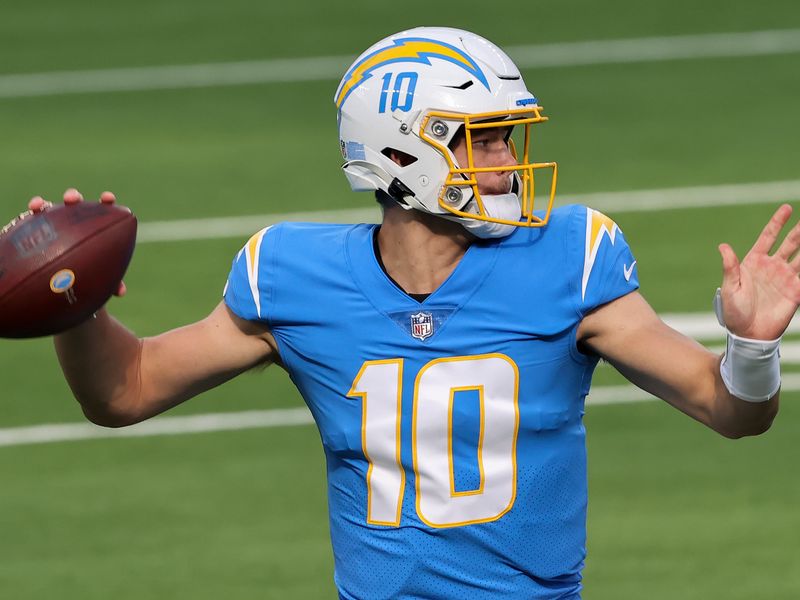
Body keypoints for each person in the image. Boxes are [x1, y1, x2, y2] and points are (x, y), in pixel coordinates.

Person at [28, 27, 800, 599]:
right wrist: (73, 302)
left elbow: (729, 410)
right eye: (485, 141)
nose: (508, 164)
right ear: (400, 154)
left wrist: (752, 348)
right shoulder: (291, 276)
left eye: (509, 140)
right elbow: (123, 392)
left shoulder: (572, 257)